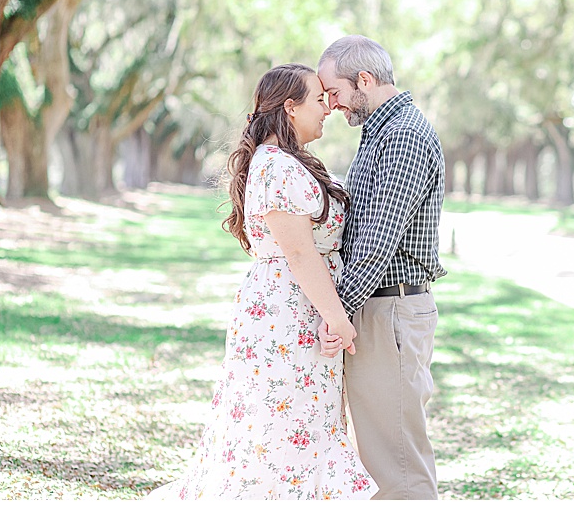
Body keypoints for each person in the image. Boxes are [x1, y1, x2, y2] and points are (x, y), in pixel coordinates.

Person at [147, 63, 377, 500]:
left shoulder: (284, 163)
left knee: (296, 424)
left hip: (297, 308)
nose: (327, 107)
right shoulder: (276, 168)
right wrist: (338, 318)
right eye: (317, 98)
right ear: (290, 108)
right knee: (279, 428)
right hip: (286, 318)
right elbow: (299, 252)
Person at [317, 36, 447, 500]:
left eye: (333, 92)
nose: (329, 104)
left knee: (398, 466)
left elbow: (376, 243)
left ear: (364, 81)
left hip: (390, 310)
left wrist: (337, 315)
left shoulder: (403, 136)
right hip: (377, 309)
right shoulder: (379, 133)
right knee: (376, 457)